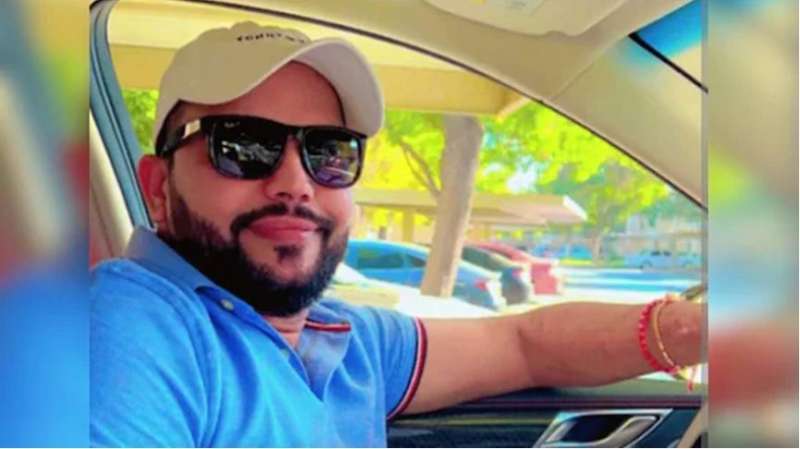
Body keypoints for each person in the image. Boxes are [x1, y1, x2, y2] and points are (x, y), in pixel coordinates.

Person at [90, 22, 704, 447]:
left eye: (328, 151)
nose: (296, 183)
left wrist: (707, 331)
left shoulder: (347, 343)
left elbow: (524, 344)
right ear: (158, 186)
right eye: (245, 145)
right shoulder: (123, 323)